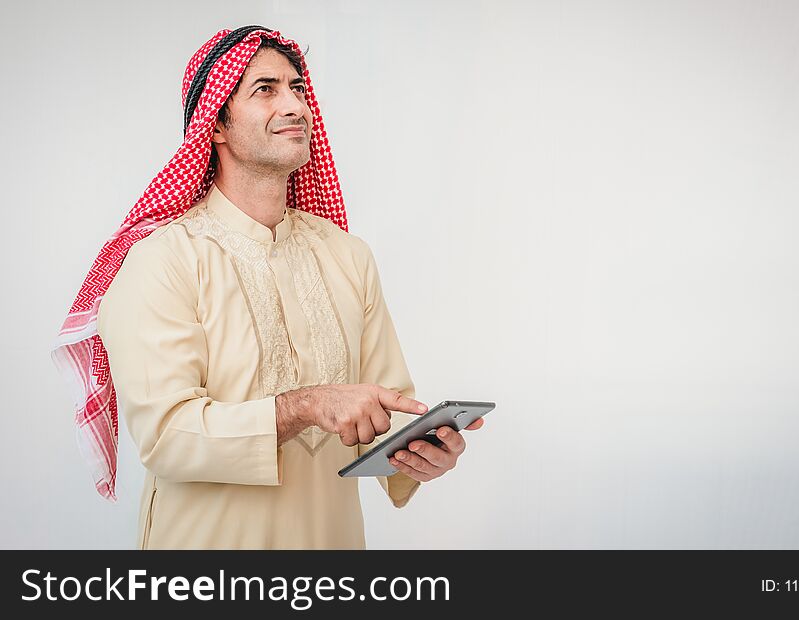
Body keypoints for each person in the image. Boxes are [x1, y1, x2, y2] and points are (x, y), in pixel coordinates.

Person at [50, 25, 483, 549]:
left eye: (297, 87)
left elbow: (386, 413)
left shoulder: (347, 255)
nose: (295, 105)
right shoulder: (162, 259)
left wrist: (420, 454)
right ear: (216, 125)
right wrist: (304, 405)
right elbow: (168, 438)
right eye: (265, 89)